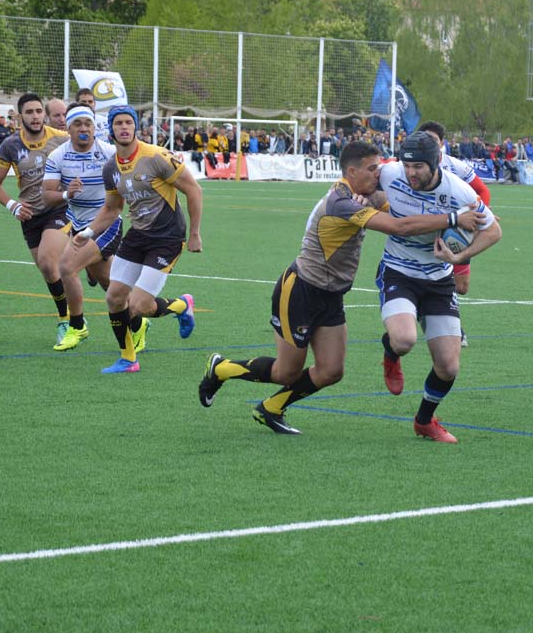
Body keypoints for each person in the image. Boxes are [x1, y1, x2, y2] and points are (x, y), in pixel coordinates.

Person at [197, 140, 482, 435]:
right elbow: (400, 226)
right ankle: (221, 368)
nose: (379, 174)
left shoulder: (363, 194)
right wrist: (452, 219)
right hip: (300, 290)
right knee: (286, 371)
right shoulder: (341, 203)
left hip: (332, 295)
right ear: (352, 171)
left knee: (332, 370)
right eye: (373, 169)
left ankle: (271, 408)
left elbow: (403, 207)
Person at [377, 132, 501, 443]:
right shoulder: (390, 173)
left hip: (438, 279)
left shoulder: (458, 192)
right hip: (398, 270)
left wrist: (459, 256)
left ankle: (424, 421)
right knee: (404, 340)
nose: (411, 173)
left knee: (448, 366)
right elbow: (362, 185)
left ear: (435, 164)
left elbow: (494, 231)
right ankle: (391, 351)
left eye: (418, 166)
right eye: (407, 166)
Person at [71, 105, 203, 374]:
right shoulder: (111, 169)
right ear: (111, 129)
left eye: (128, 122)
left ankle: (181, 306)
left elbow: (193, 189)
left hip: (167, 237)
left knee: (140, 305)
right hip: (138, 235)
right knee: (115, 298)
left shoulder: (157, 157)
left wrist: (195, 234)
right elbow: (112, 208)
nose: (124, 127)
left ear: (135, 127)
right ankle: (129, 359)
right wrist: (87, 233)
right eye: (118, 123)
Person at [0, 92, 74, 347]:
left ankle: (66, 321)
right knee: (50, 272)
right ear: (19, 116)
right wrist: (12, 205)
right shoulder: (11, 146)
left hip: (59, 208)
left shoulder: (61, 139)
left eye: (39, 111)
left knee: (49, 263)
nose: (35, 116)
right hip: (30, 215)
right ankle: (71, 316)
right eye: (30, 112)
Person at [42, 103, 119, 351]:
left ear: (94, 127)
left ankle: (76, 326)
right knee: (111, 284)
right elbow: (47, 195)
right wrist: (66, 193)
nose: (84, 128)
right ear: (68, 128)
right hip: (79, 225)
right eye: (78, 124)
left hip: (107, 223)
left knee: (66, 266)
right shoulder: (58, 156)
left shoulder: (108, 152)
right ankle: (151, 316)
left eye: (88, 123)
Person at [417, 120, 495, 347]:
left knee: (462, 286)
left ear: (442, 144)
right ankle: (446, 324)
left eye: (434, 141)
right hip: (424, 230)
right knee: (425, 274)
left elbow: (482, 191)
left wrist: (482, 213)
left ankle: (428, 308)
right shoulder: (410, 165)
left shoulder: (456, 166)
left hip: (455, 233)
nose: (430, 144)